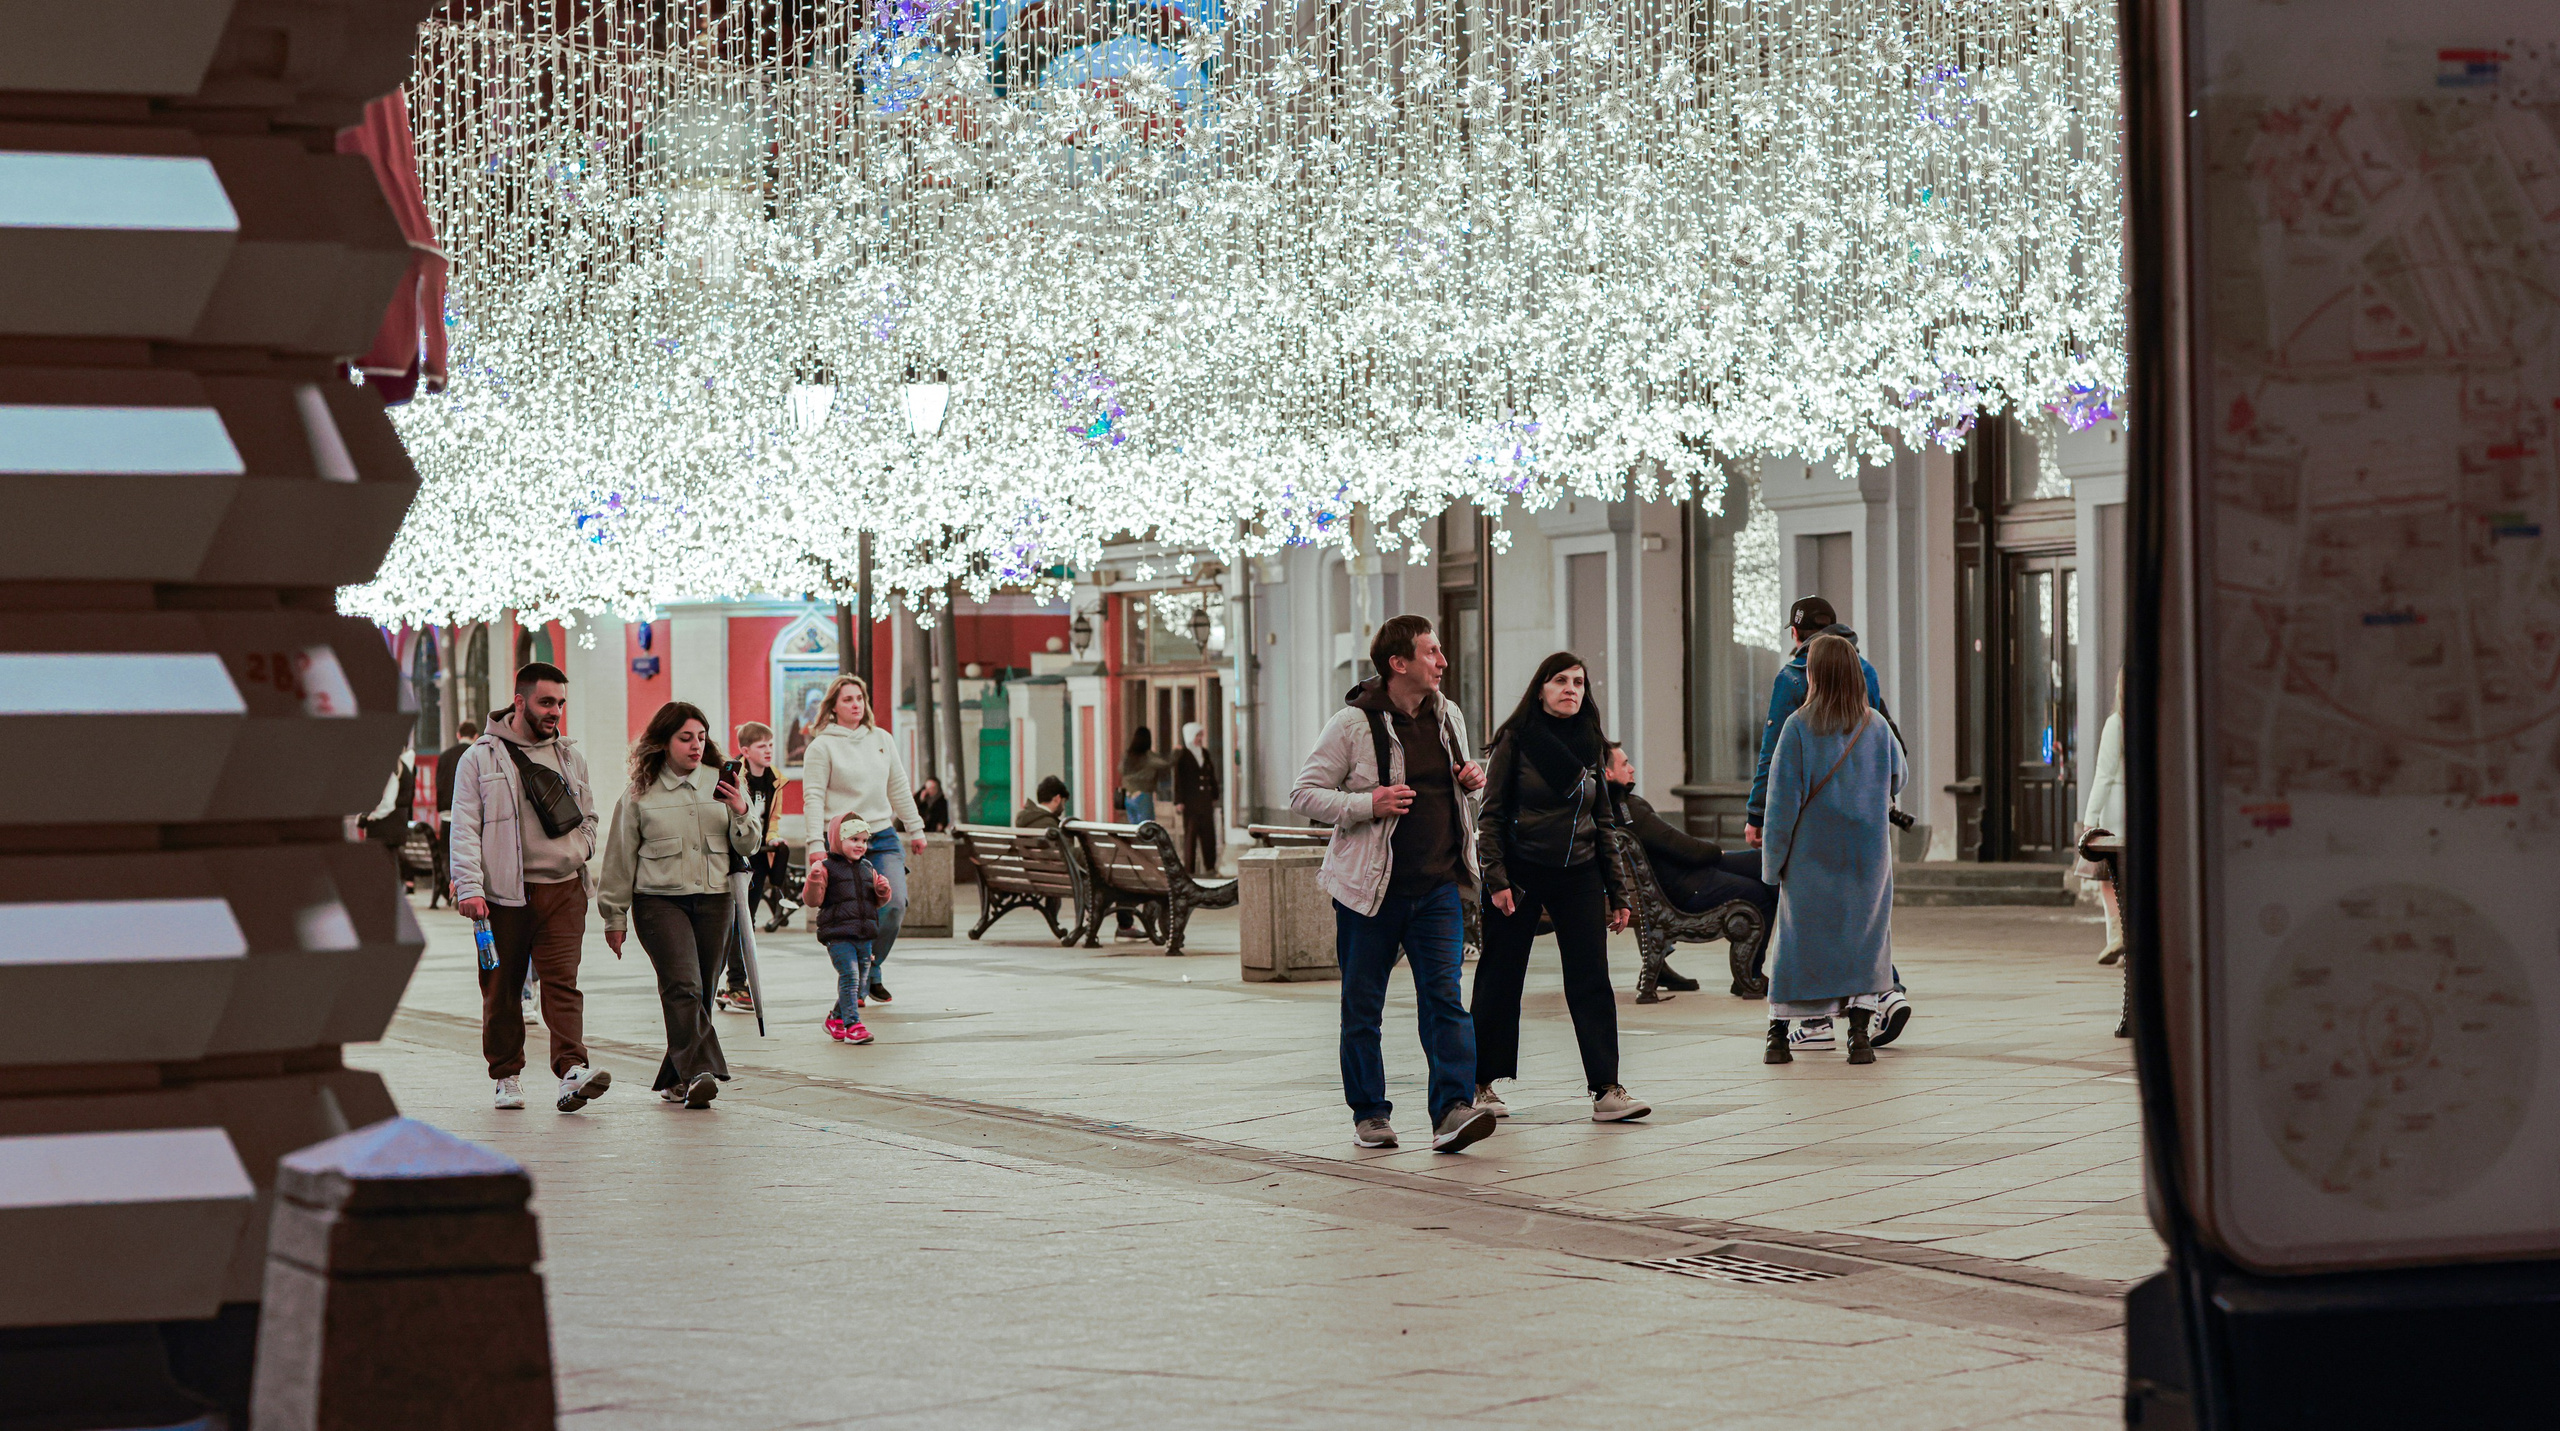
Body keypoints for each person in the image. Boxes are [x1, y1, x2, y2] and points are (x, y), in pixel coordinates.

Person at [1290, 613, 1498, 1154]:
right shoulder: (1352, 724)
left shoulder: (1448, 715)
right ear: (1398, 663)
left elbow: (1460, 792)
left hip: (1438, 888)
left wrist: (1473, 779)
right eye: (1432, 652)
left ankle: (1452, 1110)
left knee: (1445, 1002)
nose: (1443, 661)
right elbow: (1305, 794)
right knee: (1363, 1006)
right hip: (1368, 893)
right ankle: (1370, 1114)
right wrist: (1368, 802)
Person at [1471, 654, 1649, 1123]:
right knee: (1501, 976)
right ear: (1541, 688)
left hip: (1580, 872)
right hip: (1521, 872)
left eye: (1579, 682)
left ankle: (1607, 1090)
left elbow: (1603, 821)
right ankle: (1480, 1084)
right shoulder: (1516, 740)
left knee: (1591, 979)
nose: (1571, 689)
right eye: (1561, 681)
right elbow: (1489, 816)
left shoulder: (1592, 744)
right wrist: (1496, 879)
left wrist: (1618, 890)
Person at [1743, 594, 1912, 1048]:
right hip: (1869, 853)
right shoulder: (1874, 724)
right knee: (1864, 936)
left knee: (1800, 940)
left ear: (1812, 669)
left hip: (1812, 853)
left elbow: (1781, 798)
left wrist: (1772, 861)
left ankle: (1796, 1029)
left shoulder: (1798, 724)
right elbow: (1901, 773)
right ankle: (1865, 1022)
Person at [450, 664, 609, 1114]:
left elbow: (589, 815)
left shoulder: (569, 756)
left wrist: (582, 847)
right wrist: (469, 887)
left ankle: (572, 1071)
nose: (555, 712)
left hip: (563, 889)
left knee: (563, 984)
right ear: (519, 702)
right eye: (546, 702)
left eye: (560, 703)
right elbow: (464, 828)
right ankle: (506, 1074)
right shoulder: (479, 757)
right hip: (504, 894)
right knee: (502, 986)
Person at [597, 702, 757, 1108]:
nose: (696, 746)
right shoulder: (639, 794)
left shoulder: (724, 784)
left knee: (700, 992)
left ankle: (676, 1079)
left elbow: (749, 845)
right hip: (658, 903)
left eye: (701, 737)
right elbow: (619, 858)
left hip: (715, 901)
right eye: (685, 738)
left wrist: (741, 810)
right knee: (682, 984)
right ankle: (703, 1072)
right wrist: (614, 916)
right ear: (664, 742)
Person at [1601, 743, 1774, 995]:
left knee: (1767, 864)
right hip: (1688, 885)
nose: (1632, 768)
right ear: (1607, 774)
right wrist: (1715, 852)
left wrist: (1711, 854)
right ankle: (1750, 975)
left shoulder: (1614, 809)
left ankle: (1753, 973)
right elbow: (1679, 845)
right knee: (1761, 890)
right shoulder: (1629, 811)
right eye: (1625, 764)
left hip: (1687, 876)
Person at [802, 675, 925, 1005]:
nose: (856, 704)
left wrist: (916, 829)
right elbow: (812, 796)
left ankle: (871, 966)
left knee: (895, 904)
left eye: (860, 698)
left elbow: (898, 787)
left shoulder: (881, 738)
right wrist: (815, 843)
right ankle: (859, 977)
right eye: (848, 700)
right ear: (833, 707)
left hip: (882, 834)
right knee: (853, 914)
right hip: (841, 840)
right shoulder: (822, 746)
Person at [803, 812, 895, 1044]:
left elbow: (875, 901)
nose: (861, 845)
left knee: (862, 982)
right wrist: (814, 879)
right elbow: (813, 900)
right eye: (854, 840)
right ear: (837, 839)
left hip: (864, 935)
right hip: (838, 935)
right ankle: (852, 1024)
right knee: (850, 976)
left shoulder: (866, 867)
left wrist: (883, 891)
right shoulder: (826, 867)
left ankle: (835, 1017)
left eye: (864, 841)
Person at [715, 721, 784, 1013]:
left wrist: (773, 838)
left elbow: (773, 817)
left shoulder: (776, 779)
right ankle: (734, 983)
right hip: (738, 856)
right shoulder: (734, 777)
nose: (768, 751)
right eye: (761, 746)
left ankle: (735, 983)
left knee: (748, 920)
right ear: (745, 751)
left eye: (770, 745)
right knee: (733, 921)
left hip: (760, 856)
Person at [2079, 670, 2127, 967]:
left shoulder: (2116, 724)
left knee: (2108, 878)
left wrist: (2090, 818)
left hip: (2115, 808)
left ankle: (2117, 939)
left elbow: (2104, 775)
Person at [429, 720, 480, 909]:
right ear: (475, 736)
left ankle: (451, 889)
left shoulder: (444, 756)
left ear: (458, 735)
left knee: (446, 854)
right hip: (470, 815)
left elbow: (439, 786)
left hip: (447, 815)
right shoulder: (477, 755)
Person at [1172, 721, 1222, 874]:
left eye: (1201, 735)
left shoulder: (1204, 753)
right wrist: (1179, 801)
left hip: (1205, 801)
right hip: (1191, 802)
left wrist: (1214, 793)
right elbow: (1178, 779)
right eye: (1197, 735)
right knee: (1191, 836)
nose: (1200, 739)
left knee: (1208, 835)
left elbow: (1210, 774)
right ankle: (1189, 869)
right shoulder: (1183, 755)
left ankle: (1210, 866)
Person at [1119, 727, 1173, 824]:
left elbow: (1120, 769)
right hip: (1142, 795)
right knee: (1146, 829)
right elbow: (1166, 763)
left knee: (1133, 830)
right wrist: (1177, 752)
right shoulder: (1148, 757)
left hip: (1128, 797)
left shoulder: (1128, 756)